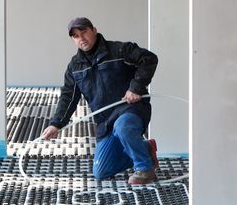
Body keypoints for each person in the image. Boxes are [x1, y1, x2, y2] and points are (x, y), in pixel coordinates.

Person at [41, 16, 159, 186]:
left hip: (131, 110)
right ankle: (145, 150)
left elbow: (148, 59)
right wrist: (56, 124)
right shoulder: (75, 67)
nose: (81, 38)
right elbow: (68, 97)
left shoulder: (119, 50)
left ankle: (145, 168)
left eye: (84, 32)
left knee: (123, 127)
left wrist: (136, 87)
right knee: (101, 171)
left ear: (94, 30)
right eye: (75, 36)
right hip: (105, 123)